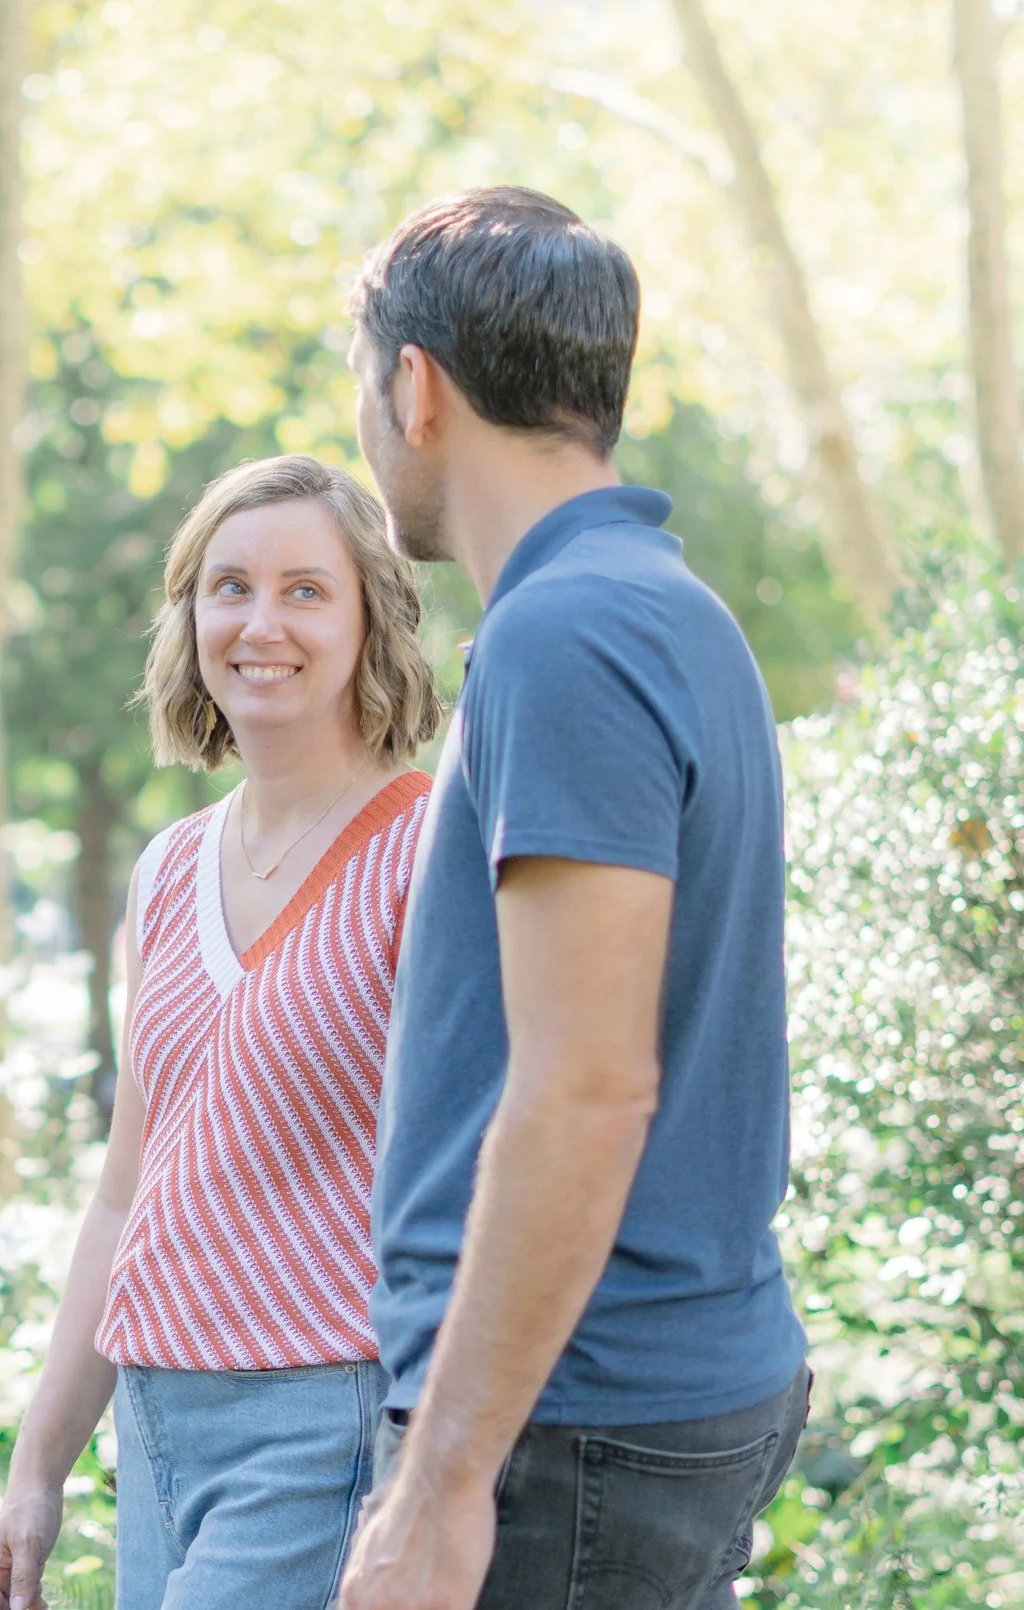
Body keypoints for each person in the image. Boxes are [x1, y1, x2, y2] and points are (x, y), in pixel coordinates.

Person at [335, 187, 811, 1610]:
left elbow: (588, 1084)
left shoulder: (567, 633)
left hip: (570, 1427)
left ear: (416, 388)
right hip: (617, 1406)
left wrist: (439, 1484)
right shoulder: (659, 605)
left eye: (360, 390)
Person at [0, 454, 445, 1610]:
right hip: (156, 1415)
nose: (259, 622)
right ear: (188, 617)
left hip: (323, 1414)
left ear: (368, 619)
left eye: (304, 589)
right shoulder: (170, 864)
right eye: (227, 586)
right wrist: (39, 1468)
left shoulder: (426, 853)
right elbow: (125, 1192)